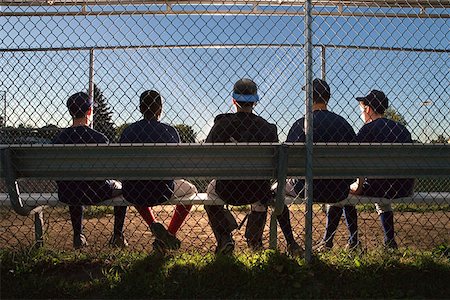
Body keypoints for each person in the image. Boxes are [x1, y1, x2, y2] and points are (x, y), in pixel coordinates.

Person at [205, 78, 301, 255]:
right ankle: (254, 240)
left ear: (233, 100)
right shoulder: (268, 129)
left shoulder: (220, 125)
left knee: (210, 191)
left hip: (227, 189)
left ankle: (224, 237)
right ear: (255, 102)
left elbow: (207, 156)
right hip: (257, 190)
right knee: (263, 192)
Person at [119, 90, 197, 252]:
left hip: (133, 191)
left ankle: (154, 225)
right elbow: (177, 166)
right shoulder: (170, 131)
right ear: (160, 109)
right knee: (192, 190)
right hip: (161, 191)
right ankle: (169, 234)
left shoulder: (128, 131)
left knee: (133, 185)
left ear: (140, 109)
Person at [285, 78, 358, 251]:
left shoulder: (300, 124)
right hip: (337, 189)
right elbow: (356, 162)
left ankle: (291, 243)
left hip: (305, 187)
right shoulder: (344, 124)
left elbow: (287, 162)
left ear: (309, 99)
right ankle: (329, 241)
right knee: (339, 194)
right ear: (327, 98)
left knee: (276, 191)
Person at [53, 92, 128, 249]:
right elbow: (108, 171)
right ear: (89, 112)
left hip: (67, 193)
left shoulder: (59, 139)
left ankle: (78, 235)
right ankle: (117, 235)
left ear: (70, 112)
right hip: (96, 192)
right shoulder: (100, 138)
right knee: (120, 186)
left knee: (74, 182)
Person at [349, 90, 414, 249]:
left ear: (368, 109)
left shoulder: (367, 129)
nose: (361, 114)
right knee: (382, 198)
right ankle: (390, 241)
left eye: (361, 109)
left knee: (344, 192)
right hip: (404, 187)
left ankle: (353, 241)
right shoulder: (401, 129)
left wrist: (358, 186)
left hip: (379, 187)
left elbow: (358, 162)